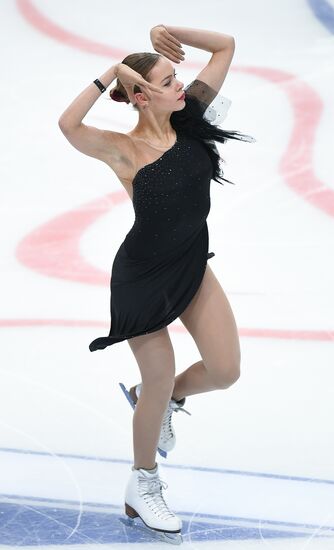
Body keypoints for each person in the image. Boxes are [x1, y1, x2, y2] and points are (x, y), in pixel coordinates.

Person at [58, 24, 255, 544]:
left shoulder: (189, 121)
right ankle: (142, 483)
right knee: (163, 373)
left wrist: (164, 32)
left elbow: (225, 45)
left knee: (226, 370)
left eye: (178, 78)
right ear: (142, 96)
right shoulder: (124, 150)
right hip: (142, 277)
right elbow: (68, 123)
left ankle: (155, 396)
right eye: (169, 82)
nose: (181, 86)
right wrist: (111, 73)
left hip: (191, 262)